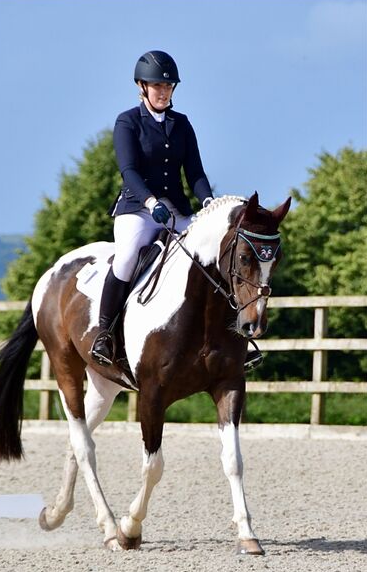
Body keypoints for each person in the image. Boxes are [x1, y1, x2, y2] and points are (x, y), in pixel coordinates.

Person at [91, 50, 263, 372]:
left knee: (213, 256)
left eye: (168, 87)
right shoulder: (127, 122)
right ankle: (105, 333)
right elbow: (129, 171)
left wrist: (207, 202)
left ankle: (236, 335)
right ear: (142, 87)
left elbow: (195, 172)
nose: (163, 92)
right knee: (127, 257)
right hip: (137, 209)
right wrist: (150, 202)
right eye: (157, 86)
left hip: (178, 211)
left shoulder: (181, 124)